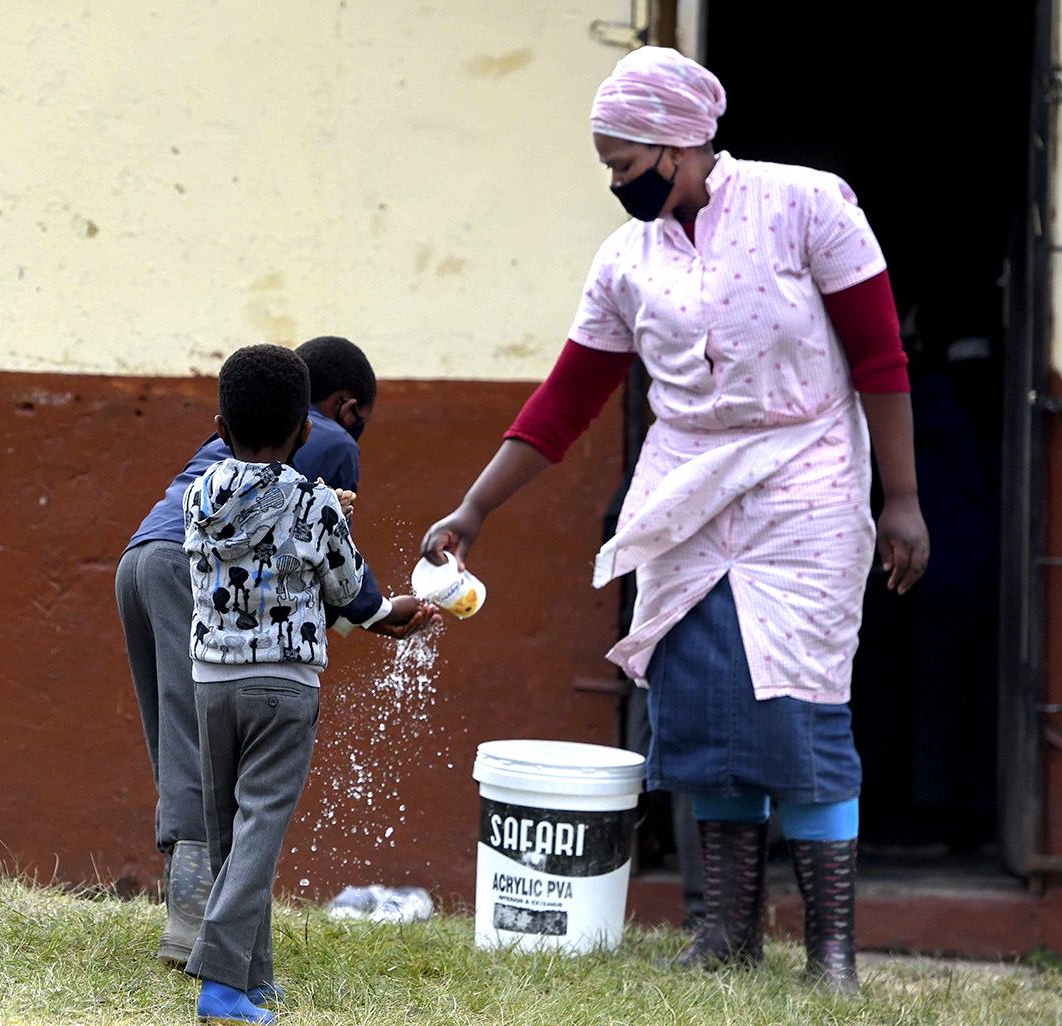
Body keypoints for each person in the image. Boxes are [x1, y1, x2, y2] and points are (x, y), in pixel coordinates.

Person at [421, 47, 928, 995]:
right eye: (607, 169)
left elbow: (879, 358)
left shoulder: (806, 205)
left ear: (683, 144)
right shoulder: (625, 260)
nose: (617, 186)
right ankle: (723, 933)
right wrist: (473, 508)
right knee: (697, 703)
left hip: (805, 480)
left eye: (625, 166)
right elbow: (564, 404)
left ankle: (831, 955)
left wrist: (898, 499)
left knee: (797, 700)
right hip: (685, 492)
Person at [116, 336, 428, 966]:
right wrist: (376, 615)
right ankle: (196, 931)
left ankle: (198, 916)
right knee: (210, 767)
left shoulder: (221, 456)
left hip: (142, 562)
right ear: (343, 408)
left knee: (178, 741)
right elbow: (325, 565)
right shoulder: (328, 443)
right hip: (192, 582)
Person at [181, 344, 398, 1025]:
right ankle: (219, 986)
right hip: (282, 683)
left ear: (219, 426)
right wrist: (332, 513)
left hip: (210, 679)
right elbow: (344, 587)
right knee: (261, 829)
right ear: (304, 433)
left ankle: (254, 978)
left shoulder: (196, 493)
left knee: (227, 834)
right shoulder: (314, 501)